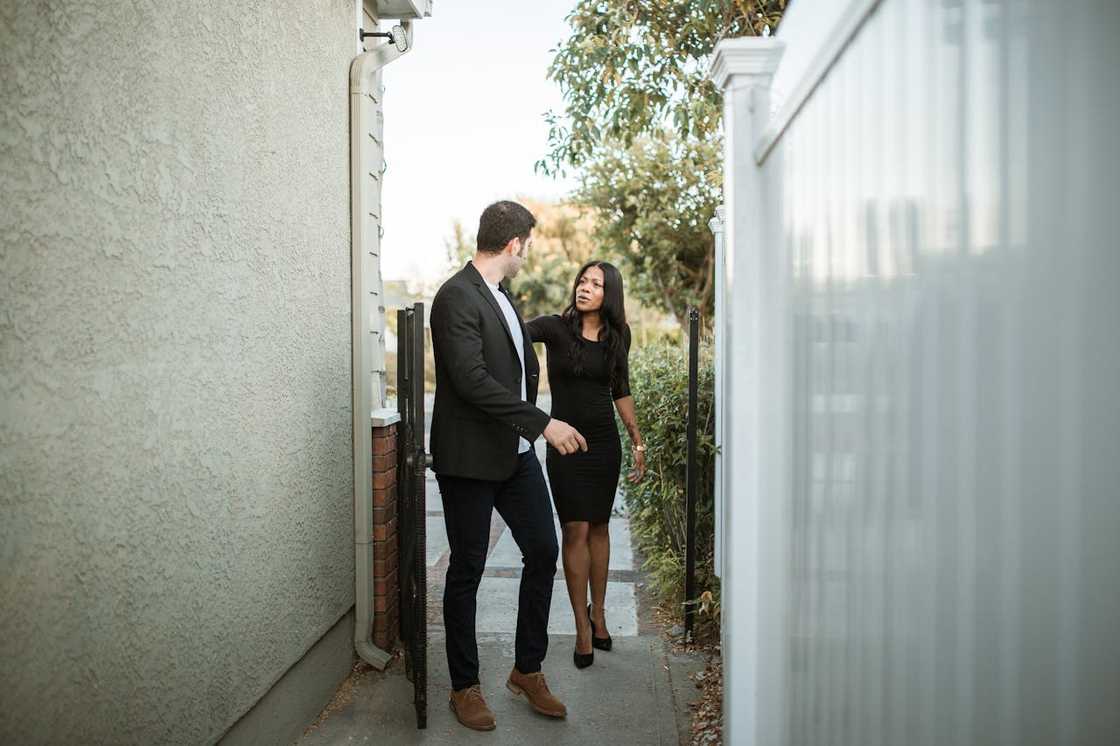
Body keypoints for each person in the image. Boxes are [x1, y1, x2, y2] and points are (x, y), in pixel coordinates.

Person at [429, 200, 588, 732]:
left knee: (543, 549)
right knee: (467, 570)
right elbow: (472, 380)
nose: (528, 255)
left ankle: (527, 669)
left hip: (515, 458)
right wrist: (543, 423)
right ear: (515, 243)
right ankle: (464, 686)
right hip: (471, 460)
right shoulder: (455, 297)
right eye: (529, 246)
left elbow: (516, 370)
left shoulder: (501, 295)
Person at [526, 260, 646, 669]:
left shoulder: (619, 336)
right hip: (564, 444)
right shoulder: (553, 327)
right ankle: (581, 625)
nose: (585, 287)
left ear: (608, 293)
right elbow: (507, 336)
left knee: (598, 526)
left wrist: (638, 442)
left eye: (595, 284)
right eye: (582, 280)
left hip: (603, 445)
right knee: (574, 527)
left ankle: (600, 615)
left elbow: (621, 389)